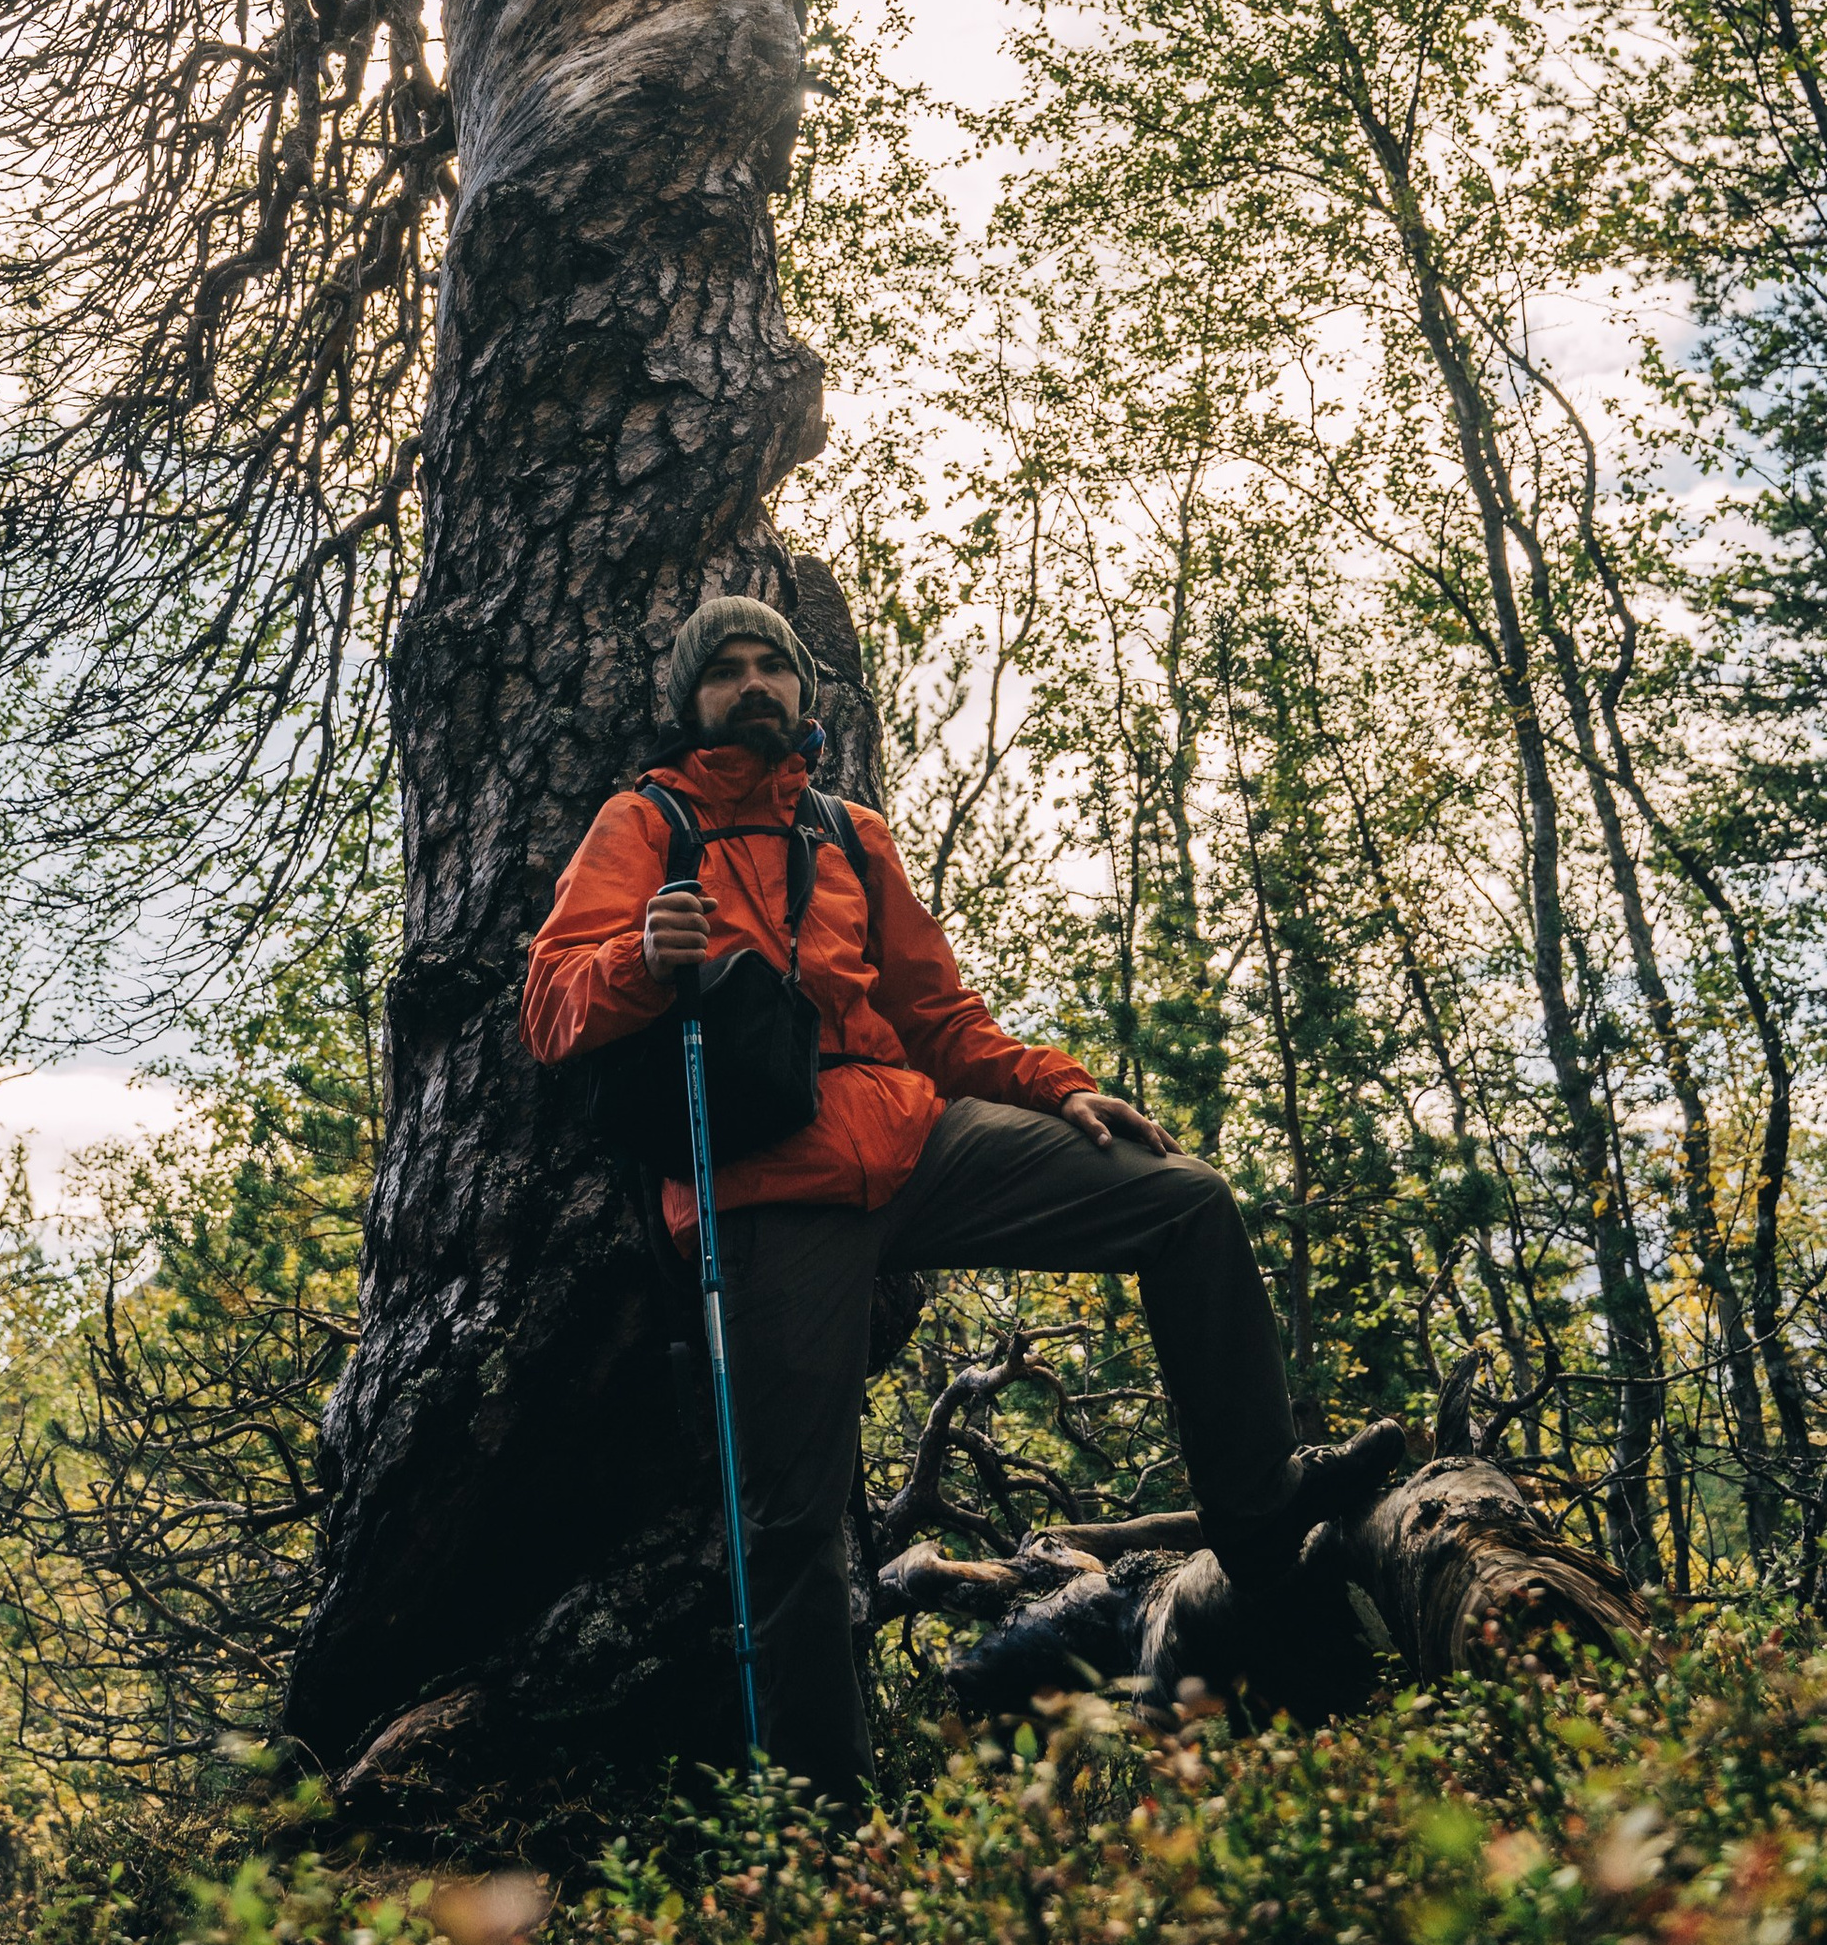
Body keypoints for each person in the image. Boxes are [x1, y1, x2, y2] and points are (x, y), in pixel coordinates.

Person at [521, 596, 1391, 1800]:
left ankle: (1254, 1520)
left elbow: (939, 1019)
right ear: (689, 701)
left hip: (918, 1137)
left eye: (772, 663)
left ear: (806, 692)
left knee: (1183, 1201)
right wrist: (638, 961)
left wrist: (1062, 1092)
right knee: (789, 1525)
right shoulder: (644, 820)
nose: (753, 684)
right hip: (766, 1189)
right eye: (725, 671)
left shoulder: (847, 830)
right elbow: (549, 1006)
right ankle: (827, 1821)